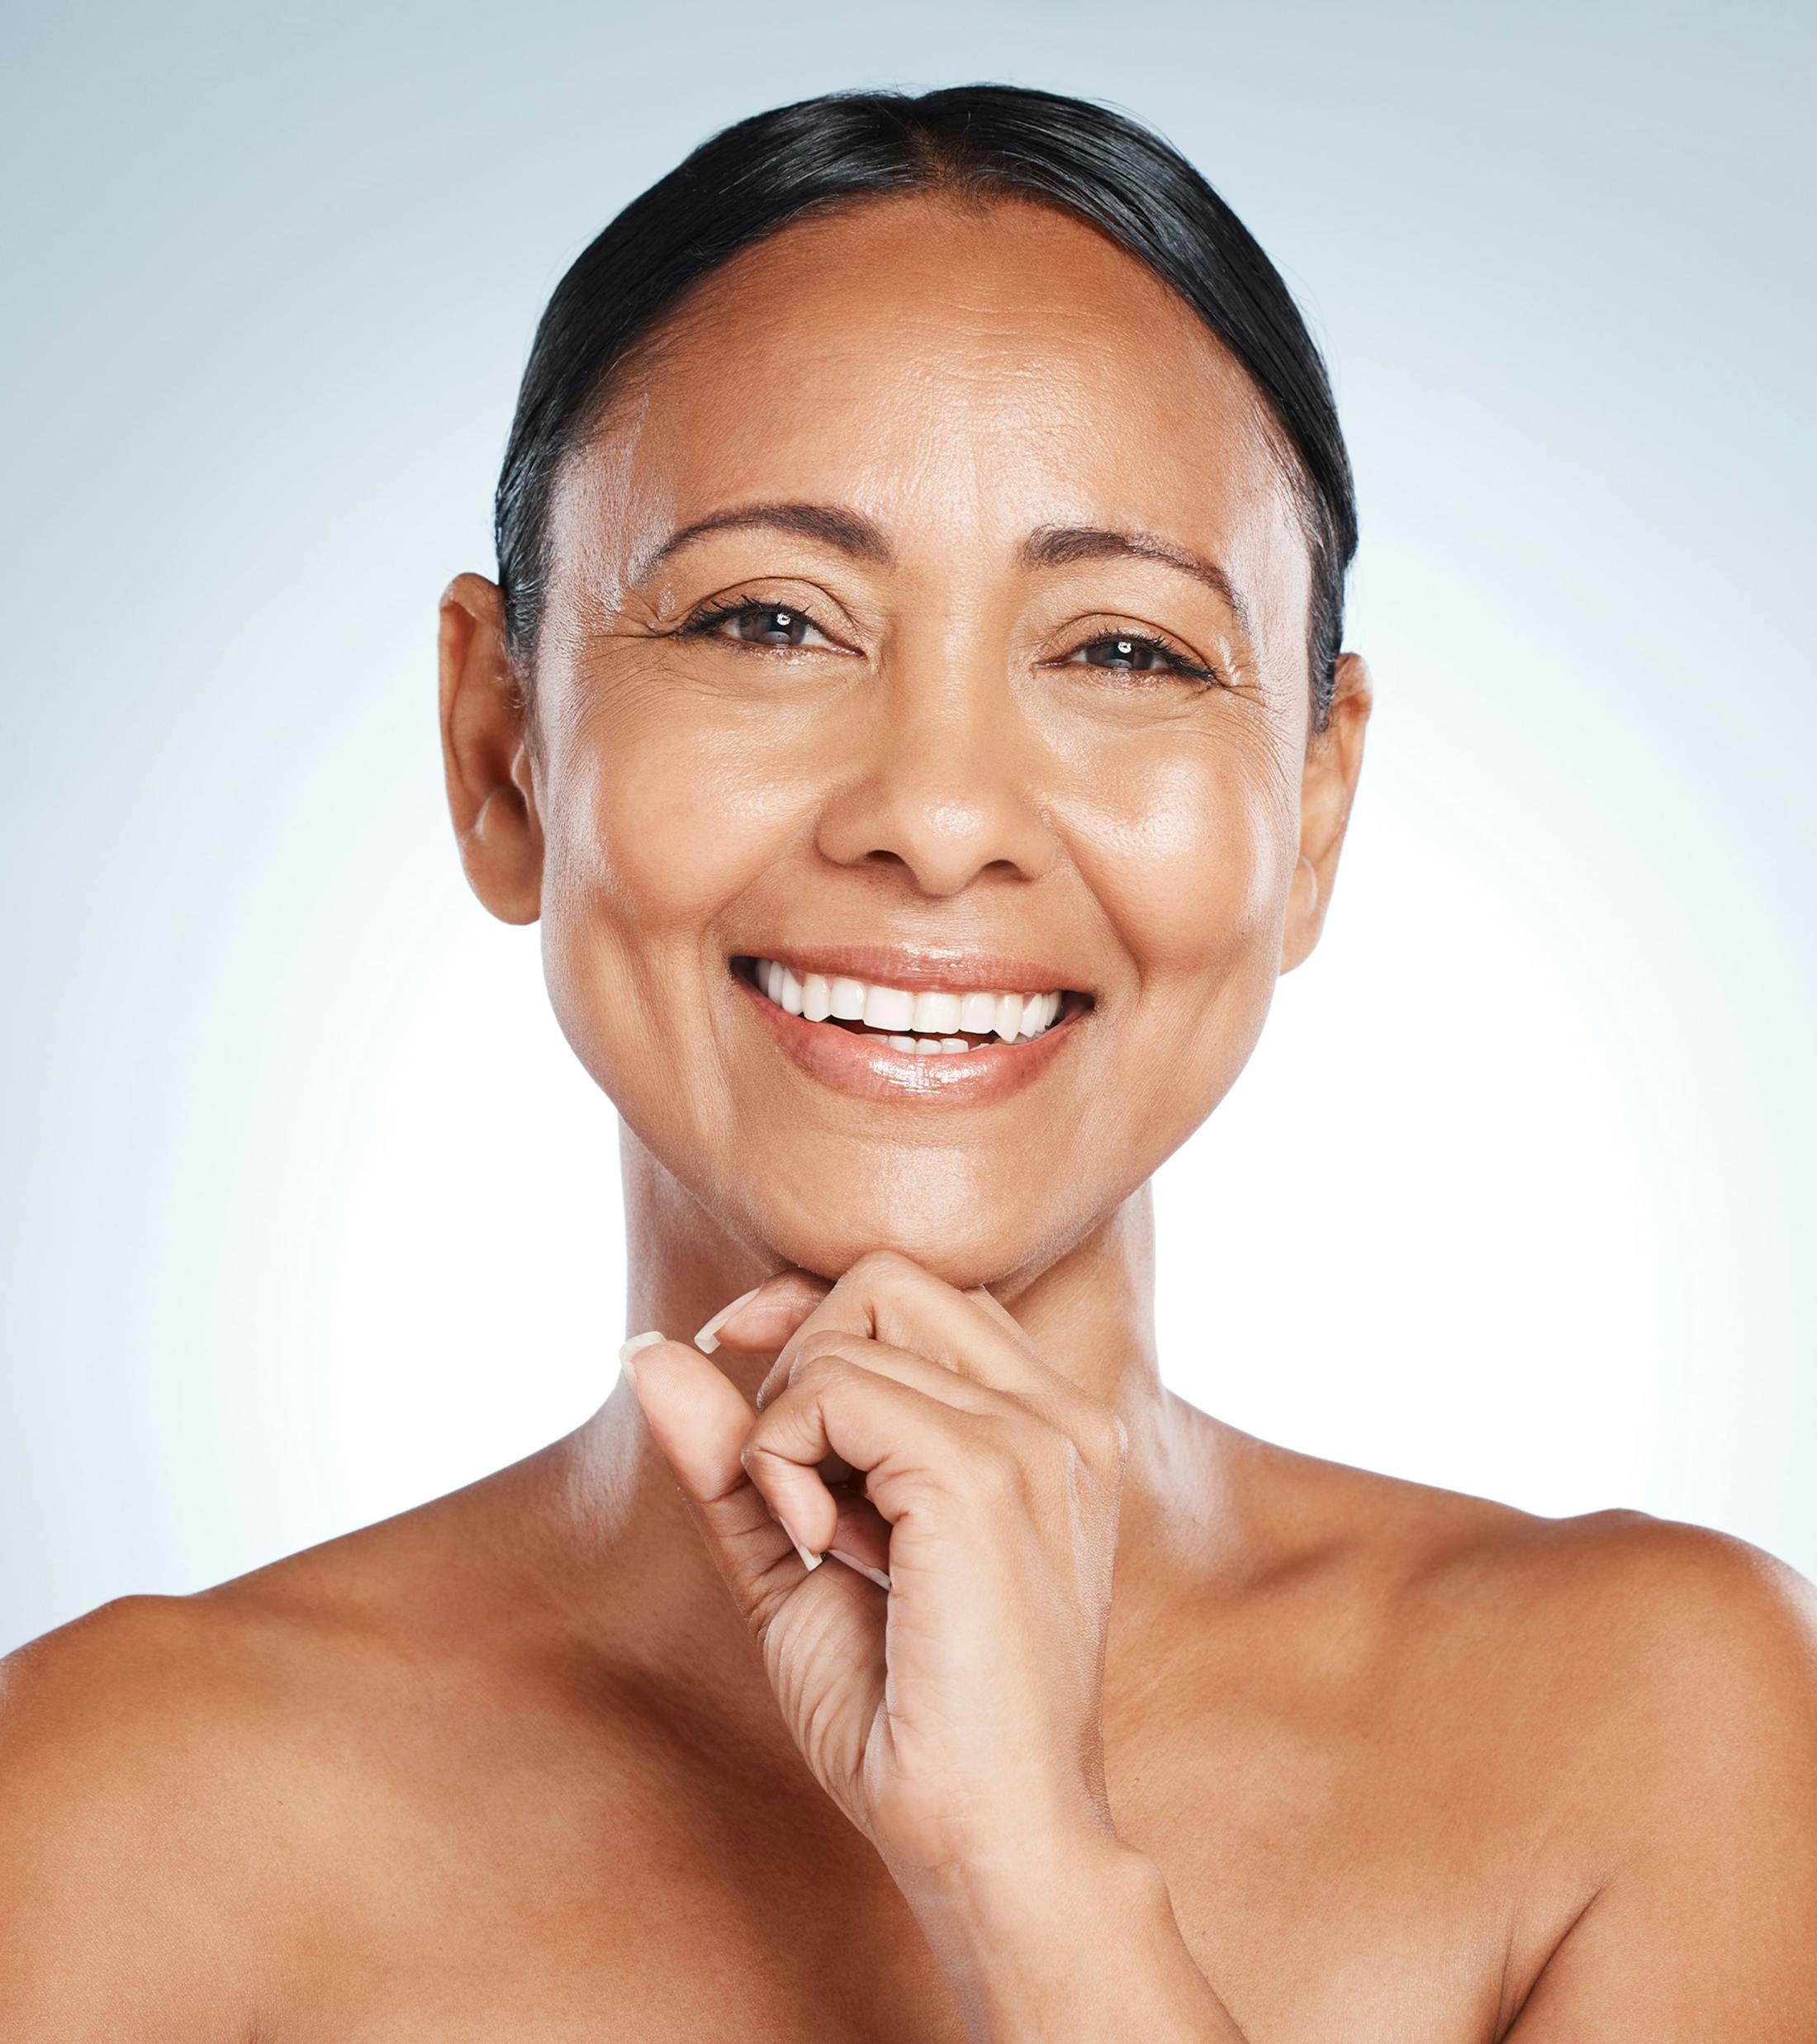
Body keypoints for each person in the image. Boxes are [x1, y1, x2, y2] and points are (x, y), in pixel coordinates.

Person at [2, 83, 1813, 2042]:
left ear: (1313, 809)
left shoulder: (1656, 1734)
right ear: (499, 747)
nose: (940, 816)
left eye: (1122, 650)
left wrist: (1031, 1877)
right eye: (772, 618)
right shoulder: (108, 1807)